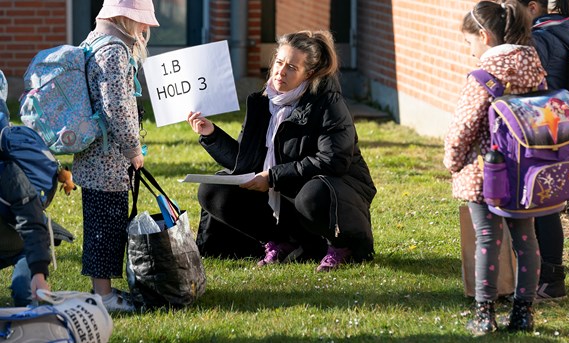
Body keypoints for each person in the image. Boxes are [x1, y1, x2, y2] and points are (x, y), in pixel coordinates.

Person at [188, 30, 376, 272]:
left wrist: (273, 176)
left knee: (313, 194)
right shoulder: (264, 102)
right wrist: (211, 134)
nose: (280, 72)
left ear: (308, 73)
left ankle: (341, 247)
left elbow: (333, 160)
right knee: (214, 189)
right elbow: (245, 163)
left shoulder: (329, 103)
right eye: (278, 62)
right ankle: (280, 241)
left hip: (333, 195)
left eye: (291, 67)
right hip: (286, 196)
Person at [444, 0, 544, 335]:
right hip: (527, 172)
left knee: (487, 238)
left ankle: (484, 314)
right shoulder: (533, 66)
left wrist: (452, 160)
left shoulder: (484, 74)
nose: (469, 48)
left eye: (469, 41)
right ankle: (523, 313)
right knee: (526, 239)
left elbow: (464, 126)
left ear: (485, 36)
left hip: (488, 172)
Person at [72, 0, 159, 312]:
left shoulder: (94, 40)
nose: (145, 28)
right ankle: (103, 295)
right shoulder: (114, 50)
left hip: (94, 153)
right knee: (105, 228)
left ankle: (103, 290)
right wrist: (134, 150)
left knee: (103, 223)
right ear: (127, 18)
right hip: (107, 158)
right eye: (142, 21)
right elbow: (117, 106)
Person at [515, 0, 569, 302]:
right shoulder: (568, 30)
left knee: (543, 208)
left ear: (532, 7)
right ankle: (547, 274)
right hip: (561, 126)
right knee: (548, 205)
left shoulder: (540, 38)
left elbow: (532, 86)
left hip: (542, 127)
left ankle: (551, 279)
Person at [0, 70, 51, 306]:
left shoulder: (7, 171)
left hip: (18, 241)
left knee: (26, 293)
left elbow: (31, 221)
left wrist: (39, 273)